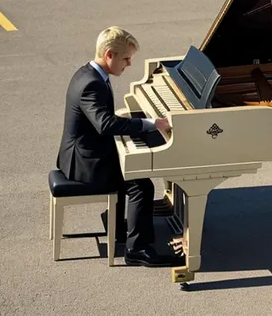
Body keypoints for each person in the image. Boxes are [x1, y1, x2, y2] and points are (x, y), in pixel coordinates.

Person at [56, 26, 184, 267]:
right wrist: (149, 124)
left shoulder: (89, 74)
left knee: (136, 171)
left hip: (86, 151)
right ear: (109, 55)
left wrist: (137, 124)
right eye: (126, 58)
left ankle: (122, 227)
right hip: (84, 163)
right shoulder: (91, 84)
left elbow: (104, 121)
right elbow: (105, 124)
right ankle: (138, 250)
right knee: (141, 185)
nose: (129, 64)